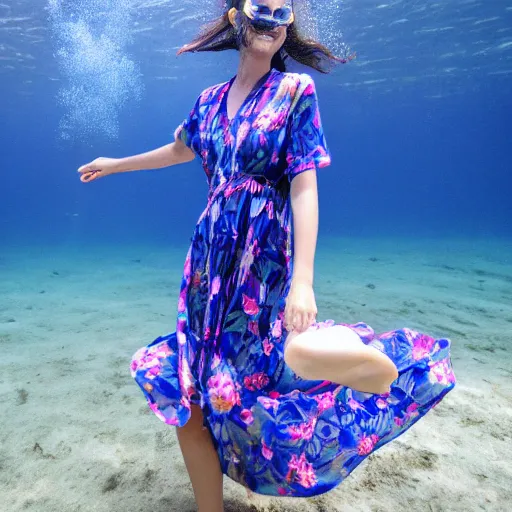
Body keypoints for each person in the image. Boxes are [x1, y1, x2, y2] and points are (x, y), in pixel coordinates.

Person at [78, 1, 456, 510]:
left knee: (264, 365)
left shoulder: (295, 91)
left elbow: (304, 187)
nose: (274, 21)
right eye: (263, 8)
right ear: (236, 16)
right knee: (192, 393)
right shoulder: (209, 101)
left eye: (285, 12)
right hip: (208, 267)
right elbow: (179, 150)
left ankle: (338, 357)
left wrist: (303, 280)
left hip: (262, 260)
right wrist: (114, 164)